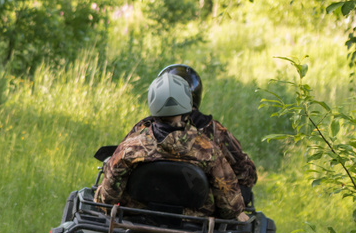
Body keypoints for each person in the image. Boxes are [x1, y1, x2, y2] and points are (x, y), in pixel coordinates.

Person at [95, 71, 249, 221]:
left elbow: (106, 199)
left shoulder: (129, 149)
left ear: (153, 101)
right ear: (188, 101)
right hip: (194, 230)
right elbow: (230, 207)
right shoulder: (208, 151)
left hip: (137, 223)